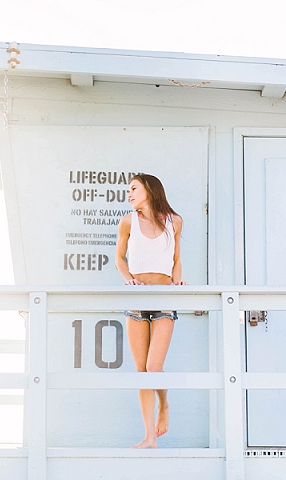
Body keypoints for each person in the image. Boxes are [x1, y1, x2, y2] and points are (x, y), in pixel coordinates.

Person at [115, 173, 185, 449]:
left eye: (133, 188)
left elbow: (177, 259)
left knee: (155, 367)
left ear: (149, 189)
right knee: (141, 370)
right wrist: (127, 277)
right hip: (137, 298)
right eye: (128, 190)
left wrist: (179, 282)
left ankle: (164, 404)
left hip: (165, 297)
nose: (129, 194)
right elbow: (119, 257)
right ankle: (149, 437)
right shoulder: (127, 221)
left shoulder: (174, 221)